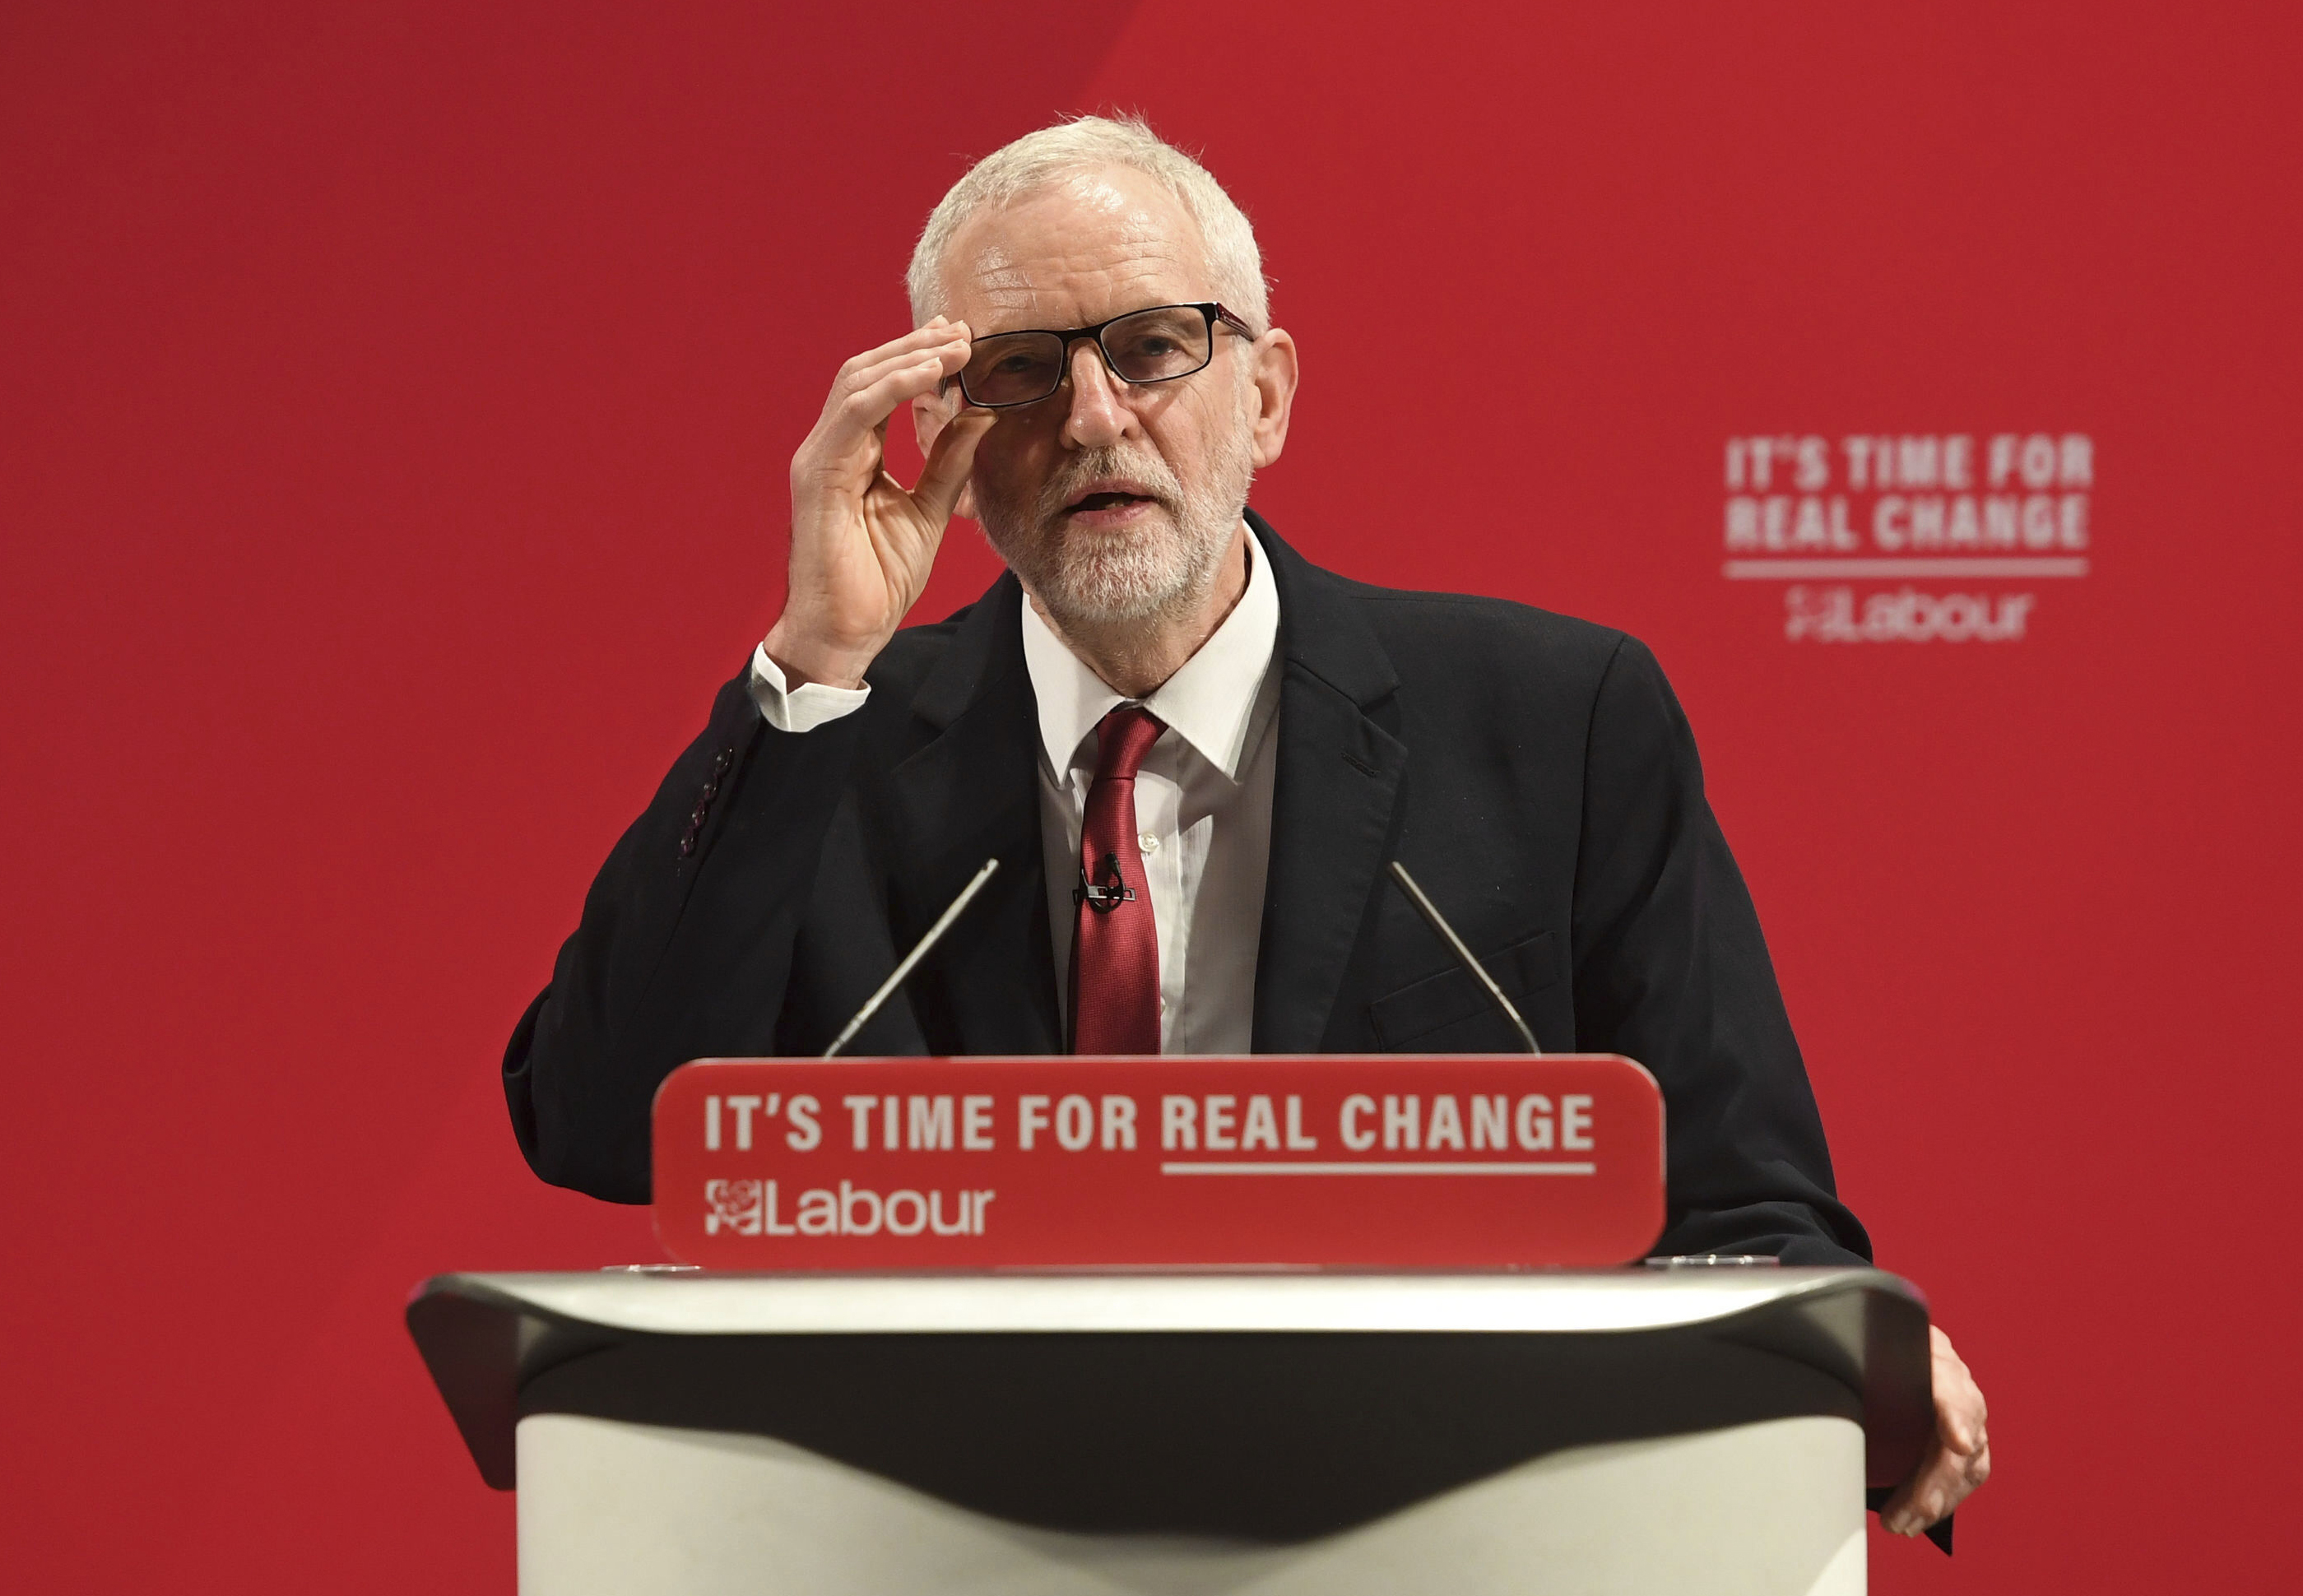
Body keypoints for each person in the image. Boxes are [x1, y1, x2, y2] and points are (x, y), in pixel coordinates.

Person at [502, 115, 1988, 1537]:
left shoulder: (1554, 723)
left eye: (1152, 348)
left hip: (1437, 1521)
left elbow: (1735, 1193)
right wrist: (816, 663)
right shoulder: (838, 742)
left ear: (1265, 393)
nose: (1093, 418)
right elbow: (599, 1123)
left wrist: (1848, 1343)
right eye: (1022, 373)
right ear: (942, 434)